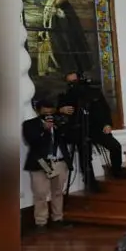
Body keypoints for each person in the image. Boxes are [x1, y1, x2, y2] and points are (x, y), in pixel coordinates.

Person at [58, 71, 124, 190]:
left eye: (74, 81)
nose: (73, 85)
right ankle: (90, 182)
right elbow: (57, 109)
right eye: (70, 83)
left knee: (115, 146)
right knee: (85, 156)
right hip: (80, 129)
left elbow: (105, 109)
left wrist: (108, 124)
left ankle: (117, 171)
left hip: (97, 128)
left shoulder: (94, 93)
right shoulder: (66, 95)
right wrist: (61, 109)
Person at [21, 98, 73, 231]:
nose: (48, 115)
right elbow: (31, 141)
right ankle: (41, 222)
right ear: (38, 111)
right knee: (40, 194)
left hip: (59, 162)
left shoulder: (59, 122)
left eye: (50, 111)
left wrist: (61, 127)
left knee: (57, 192)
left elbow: (70, 137)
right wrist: (43, 130)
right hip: (41, 163)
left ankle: (58, 218)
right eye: (45, 112)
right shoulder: (29, 124)